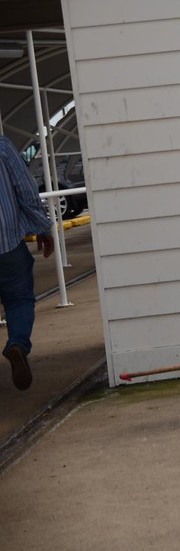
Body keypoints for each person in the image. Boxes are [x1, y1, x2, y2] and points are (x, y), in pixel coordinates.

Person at [1, 134, 54, 391]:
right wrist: (43, 227)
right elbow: (26, 191)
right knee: (19, 299)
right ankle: (17, 344)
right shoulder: (2, 148)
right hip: (7, 244)